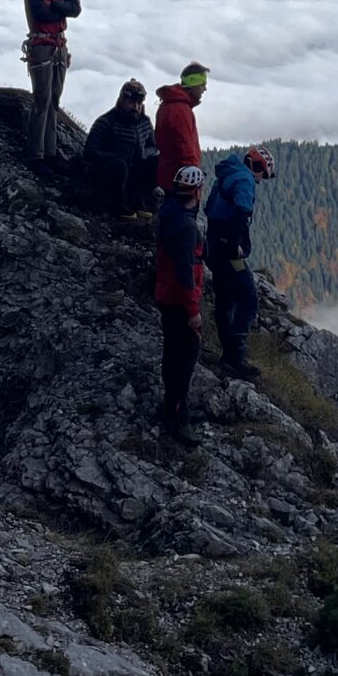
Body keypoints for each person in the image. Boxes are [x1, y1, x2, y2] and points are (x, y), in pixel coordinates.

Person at [205, 145, 274, 380]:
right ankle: (236, 357)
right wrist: (235, 244)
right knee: (248, 298)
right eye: (262, 174)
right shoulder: (244, 180)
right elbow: (241, 212)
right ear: (255, 166)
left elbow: (209, 208)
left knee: (225, 299)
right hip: (228, 249)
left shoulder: (228, 173)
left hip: (213, 243)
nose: (260, 180)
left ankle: (228, 356)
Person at [154, 162, 206, 441]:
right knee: (185, 357)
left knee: (173, 354)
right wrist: (193, 310)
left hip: (166, 296)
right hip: (178, 300)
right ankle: (178, 418)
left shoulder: (168, 214)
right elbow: (185, 271)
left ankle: (172, 407)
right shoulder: (186, 226)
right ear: (196, 192)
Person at [22, 0, 80, 160]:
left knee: (54, 100)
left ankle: (51, 152)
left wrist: (54, 7)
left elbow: (76, 10)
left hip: (58, 46)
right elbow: (40, 14)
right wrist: (61, 8)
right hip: (42, 46)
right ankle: (36, 155)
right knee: (42, 100)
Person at [78, 79, 158, 217]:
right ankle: (118, 205)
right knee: (118, 166)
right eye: (131, 103)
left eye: (139, 103)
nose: (136, 107)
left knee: (159, 162)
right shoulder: (106, 122)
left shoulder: (145, 122)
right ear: (122, 100)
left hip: (134, 171)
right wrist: (115, 156)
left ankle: (137, 200)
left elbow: (153, 146)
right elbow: (90, 151)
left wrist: (144, 154)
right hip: (109, 173)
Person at [152, 63, 209, 188]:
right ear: (193, 83)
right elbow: (186, 148)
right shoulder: (180, 110)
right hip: (180, 184)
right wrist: (192, 184)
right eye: (203, 84)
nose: (204, 89)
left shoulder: (168, 105)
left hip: (167, 176)